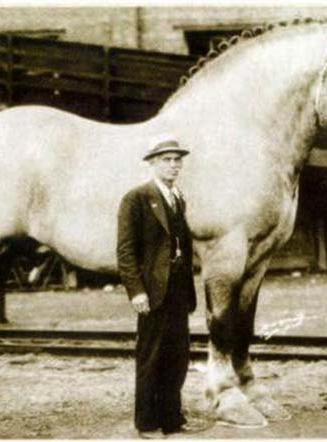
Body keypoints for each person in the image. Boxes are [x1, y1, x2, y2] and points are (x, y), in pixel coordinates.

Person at [117, 135, 197, 439]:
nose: (174, 165)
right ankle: (147, 423)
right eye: (167, 160)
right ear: (152, 163)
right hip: (152, 291)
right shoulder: (136, 198)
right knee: (150, 356)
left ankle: (172, 419)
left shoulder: (178, 198)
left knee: (177, 355)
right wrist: (136, 291)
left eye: (178, 160)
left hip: (178, 288)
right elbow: (125, 251)